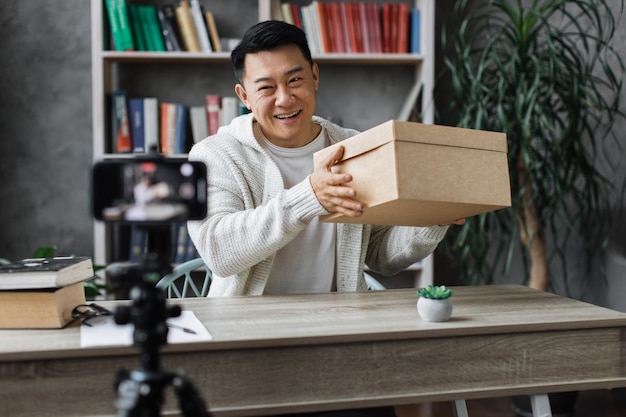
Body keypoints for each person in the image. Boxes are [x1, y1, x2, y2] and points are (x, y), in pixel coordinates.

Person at [187, 20, 463, 416]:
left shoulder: (355, 147)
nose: (284, 98)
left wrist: (430, 220)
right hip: (249, 347)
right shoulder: (216, 154)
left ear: (315, 77)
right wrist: (308, 197)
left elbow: (382, 256)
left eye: (295, 79)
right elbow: (220, 251)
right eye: (266, 87)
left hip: (341, 343)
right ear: (244, 95)